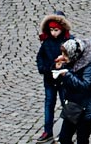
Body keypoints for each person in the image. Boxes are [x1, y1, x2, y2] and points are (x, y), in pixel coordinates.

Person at [51, 36, 91, 144]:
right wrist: (58, 67)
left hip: (86, 108)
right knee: (64, 138)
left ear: (74, 54)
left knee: (82, 139)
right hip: (73, 106)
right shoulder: (71, 61)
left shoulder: (90, 65)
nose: (63, 56)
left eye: (65, 54)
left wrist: (67, 75)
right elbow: (58, 81)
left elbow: (85, 86)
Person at [36, 14, 73, 142]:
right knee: (49, 104)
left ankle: (69, 129)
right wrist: (45, 68)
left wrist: (63, 68)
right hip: (50, 79)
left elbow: (73, 59)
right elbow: (40, 57)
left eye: (56, 30)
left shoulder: (69, 41)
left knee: (66, 105)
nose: (53, 33)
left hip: (64, 80)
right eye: (51, 30)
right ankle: (48, 131)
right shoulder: (47, 41)